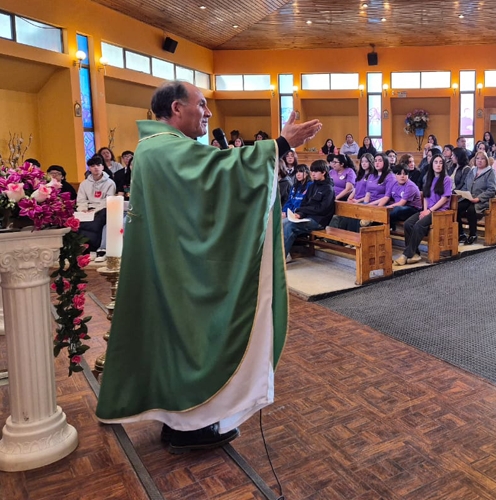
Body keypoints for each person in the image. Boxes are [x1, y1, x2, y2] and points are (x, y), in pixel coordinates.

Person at [95, 80, 322, 454]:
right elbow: (223, 173)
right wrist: (280, 145)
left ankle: (178, 420)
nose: (208, 113)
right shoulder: (166, 149)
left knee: (172, 341)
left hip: (171, 264)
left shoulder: (156, 149)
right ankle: (190, 425)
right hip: (182, 273)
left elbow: (208, 185)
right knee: (192, 339)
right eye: (201, 104)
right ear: (175, 109)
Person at [394, 153, 452, 266]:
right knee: (408, 224)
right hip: (428, 210)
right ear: (431, 164)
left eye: (441, 162)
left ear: (444, 165)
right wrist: (425, 210)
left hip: (440, 212)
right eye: (436, 162)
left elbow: (444, 199)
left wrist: (429, 211)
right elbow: (425, 196)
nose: (438, 165)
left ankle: (406, 254)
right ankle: (415, 254)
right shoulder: (428, 178)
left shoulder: (446, 179)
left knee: (418, 225)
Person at [283, 160, 335, 257]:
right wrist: (300, 214)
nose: (313, 174)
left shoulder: (328, 189)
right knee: (283, 223)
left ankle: (282, 257)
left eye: (315, 172)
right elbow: (304, 203)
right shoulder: (312, 186)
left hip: (319, 221)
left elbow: (322, 209)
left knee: (290, 227)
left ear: (323, 172)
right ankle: (282, 254)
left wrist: (304, 211)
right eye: (312, 171)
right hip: (307, 217)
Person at [77, 154, 117, 253]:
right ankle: (82, 247)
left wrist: (95, 210)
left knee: (96, 222)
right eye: (93, 166)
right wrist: (83, 209)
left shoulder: (110, 183)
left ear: (103, 167)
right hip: (86, 209)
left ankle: (94, 247)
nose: (96, 168)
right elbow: (81, 199)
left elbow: (108, 200)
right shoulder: (84, 184)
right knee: (77, 222)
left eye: (98, 165)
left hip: (102, 209)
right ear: (89, 168)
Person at [457, 151, 496, 245]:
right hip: (469, 198)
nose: (480, 161)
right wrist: (462, 193)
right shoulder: (472, 171)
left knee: (472, 209)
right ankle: (461, 233)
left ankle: (473, 234)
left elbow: (491, 190)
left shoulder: (490, 172)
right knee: (456, 208)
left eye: (482, 159)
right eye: (478, 158)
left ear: (486, 160)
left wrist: (479, 198)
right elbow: (466, 185)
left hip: (482, 200)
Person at [386, 164, 422, 230]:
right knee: (386, 207)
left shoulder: (410, 186)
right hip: (398, 206)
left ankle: (390, 227)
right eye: (399, 174)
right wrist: (379, 207)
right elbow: (386, 197)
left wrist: (385, 208)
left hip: (413, 209)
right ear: (395, 175)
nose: (402, 176)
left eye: (405, 174)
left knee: (396, 209)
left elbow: (401, 203)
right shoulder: (393, 183)